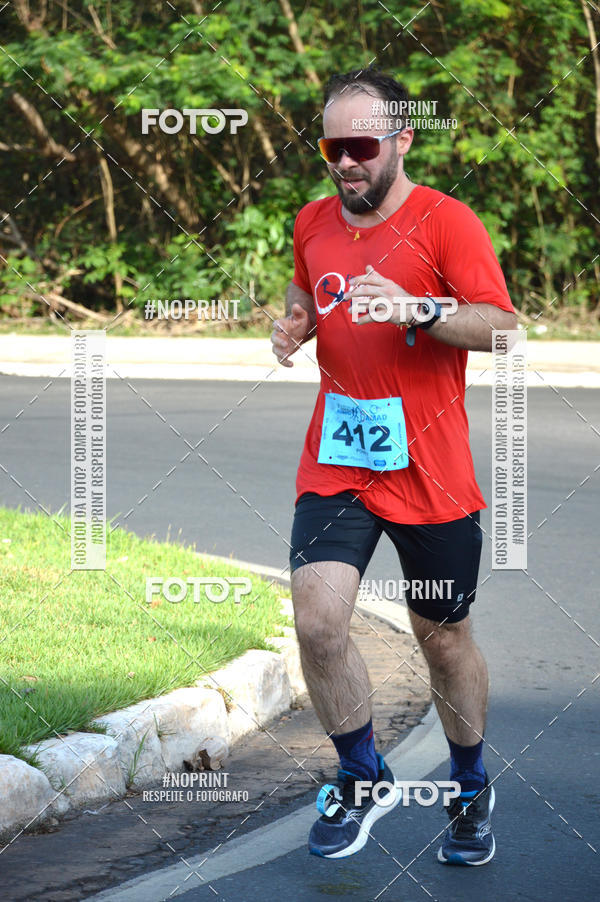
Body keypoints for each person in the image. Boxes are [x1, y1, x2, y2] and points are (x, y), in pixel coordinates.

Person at [270, 66, 516, 864]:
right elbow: (308, 296)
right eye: (330, 146)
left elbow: (506, 329)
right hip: (338, 459)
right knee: (317, 620)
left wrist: (421, 309)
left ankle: (471, 785)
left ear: (401, 139)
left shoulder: (447, 222)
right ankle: (359, 773)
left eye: (360, 145)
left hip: (432, 469)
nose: (344, 161)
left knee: (442, 638)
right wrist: (295, 327)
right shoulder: (311, 221)